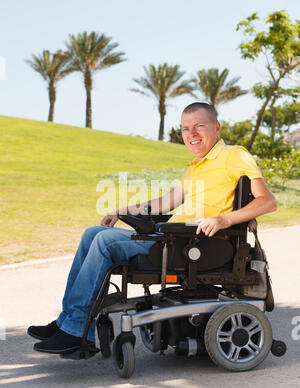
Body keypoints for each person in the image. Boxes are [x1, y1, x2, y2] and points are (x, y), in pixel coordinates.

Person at [28, 102, 277, 354]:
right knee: (93, 233)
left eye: (199, 126)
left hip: (195, 245)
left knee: (105, 242)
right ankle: (67, 321)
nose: (191, 134)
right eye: (185, 129)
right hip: (174, 238)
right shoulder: (198, 166)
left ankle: (76, 329)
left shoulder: (234, 155)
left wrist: (224, 220)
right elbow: (165, 202)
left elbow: (267, 201)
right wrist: (122, 211)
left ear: (216, 127)